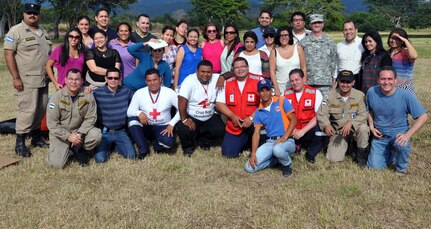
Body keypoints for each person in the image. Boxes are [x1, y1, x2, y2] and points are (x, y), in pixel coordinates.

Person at [4, 3, 51, 157]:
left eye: (35, 13)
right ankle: (20, 143)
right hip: (26, 80)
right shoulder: (16, 31)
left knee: (40, 109)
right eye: (29, 12)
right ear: (24, 14)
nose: (32, 15)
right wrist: (16, 77)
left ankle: (36, 138)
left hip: (43, 80)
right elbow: (8, 54)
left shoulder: (42, 31)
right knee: (27, 111)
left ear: (39, 15)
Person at [367, 66, 428, 175]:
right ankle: (391, 154)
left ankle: (401, 167)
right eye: (383, 79)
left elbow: (423, 117)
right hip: (380, 136)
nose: (386, 82)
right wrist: (371, 127)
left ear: (396, 80)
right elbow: (370, 110)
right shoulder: (371, 92)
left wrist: (407, 135)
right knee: (374, 167)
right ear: (377, 80)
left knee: (401, 144)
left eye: (390, 79)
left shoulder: (405, 95)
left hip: (398, 134)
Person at [46, 69, 102, 168]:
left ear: (81, 81)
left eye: (77, 79)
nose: (74, 82)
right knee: (56, 165)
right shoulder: (56, 98)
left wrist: (79, 134)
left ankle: (81, 149)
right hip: (61, 134)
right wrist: (68, 136)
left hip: (79, 132)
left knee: (96, 135)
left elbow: (91, 118)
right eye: (71, 79)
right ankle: (69, 150)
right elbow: (52, 124)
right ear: (65, 80)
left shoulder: (88, 96)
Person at [245, 79, 297, 177]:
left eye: (267, 90)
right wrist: (253, 153)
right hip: (270, 142)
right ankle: (276, 160)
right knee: (249, 168)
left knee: (277, 149)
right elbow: (256, 134)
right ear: (258, 93)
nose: (265, 93)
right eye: (262, 91)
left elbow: (294, 120)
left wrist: (285, 137)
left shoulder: (282, 101)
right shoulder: (258, 112)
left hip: (287, 140)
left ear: (271, 91)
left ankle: (287, 164)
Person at [317, 70, 369, 166]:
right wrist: (326, 125)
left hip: (355, 130)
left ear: (353, 82)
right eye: (342, 82)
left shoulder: (360, 95)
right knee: (333, 159)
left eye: (348, 82)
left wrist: (351, 123)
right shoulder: (329, 96)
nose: (345, 85)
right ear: (338, 82)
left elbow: (364, 114)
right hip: (339, 132)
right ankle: (348, 146)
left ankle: (360, 154)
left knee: (363, 128)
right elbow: (322, 114)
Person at [127, 68, 180, 159]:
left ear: (160, 79)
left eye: (155, 80)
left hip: (163, 127)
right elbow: (129, 112)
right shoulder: (139, 93)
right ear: (146, 81)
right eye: (149, 81)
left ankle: (156, 144)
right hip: (147, 125)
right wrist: (139, 113)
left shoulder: (169, 92)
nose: (152, 83)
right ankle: (144, 150)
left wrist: (171, 124)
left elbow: (181, 110)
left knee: (169, 144)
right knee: (132, 121)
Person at [177, 61, 225, 156]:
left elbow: (231, 73)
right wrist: (185, 119)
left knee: (221, 130)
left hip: (209, 115)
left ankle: (204, 140)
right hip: (193, 115)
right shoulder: (189, 80)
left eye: (208, 72)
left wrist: (223, 76)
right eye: (202, 71)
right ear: (197, 71)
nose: (205, 74)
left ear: (212, 72)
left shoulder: (216, 78)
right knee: (184, 128)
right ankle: (188, 147)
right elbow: (182, 100)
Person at [216, 57, 260, 158]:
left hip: (255, 123)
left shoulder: (258, 80)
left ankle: (251, 144)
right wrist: (232, 116)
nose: (240, 69)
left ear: (248, 67)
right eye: (237, 67)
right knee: (228, 154)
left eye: (243, 66)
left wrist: (251, 118)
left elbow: (266, 103)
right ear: (233, 70)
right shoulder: (227, 83)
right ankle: (243, 143)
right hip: (235, 125)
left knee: (261, 150)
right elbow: (219, 103)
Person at [92, 68, 135, 163]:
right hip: (104, 132)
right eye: (110, 78)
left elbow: (138, 99)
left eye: (116, 78)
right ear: (106, 78)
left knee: (131, 156)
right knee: (100, 160)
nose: (113, 80)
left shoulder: (126, 91)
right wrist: (85, 89)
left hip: (120, 131)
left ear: (120, 79)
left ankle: (115, 146)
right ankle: (107, 147)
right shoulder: (97, 93)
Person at [283, 69, 325, 164]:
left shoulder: (315, 93)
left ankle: (310, 154)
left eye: (297, 80)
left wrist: (303, 131)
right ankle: (296, 146)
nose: (294, 83)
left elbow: (318, 115)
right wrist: (291, 129)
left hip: (308, 129)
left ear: (303, 79)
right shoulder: (285, 94)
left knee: (321, 127)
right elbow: (281, 116)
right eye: (292, 81)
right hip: (292, 130)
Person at [299, 14, 337, 95]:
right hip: (308, 83)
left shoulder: (330, 42)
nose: (317, 25)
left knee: (326, 106)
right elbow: (300, 63)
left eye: (319, 22)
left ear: (323, 24)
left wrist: (334, 82)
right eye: (314, 23)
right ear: (310, 25)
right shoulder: (303, 43)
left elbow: (334, 63)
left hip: (326, 84)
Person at [270, 25, 307, 95]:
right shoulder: (274, 52)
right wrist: (276, 89)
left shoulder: (298, 48)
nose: (284, 37)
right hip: (281, 88)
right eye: (281, 35)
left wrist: (304, 82)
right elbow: (272, 72)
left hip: (298, 86)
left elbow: (303, 67)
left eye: (286, 35)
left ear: (290, 36)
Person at [387, 28, 418, 95]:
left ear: (402, 41)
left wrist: (405, 40)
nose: (393, 41)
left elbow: (414, 56)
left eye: (397, 39)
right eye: (392, 38)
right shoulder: (386, 53)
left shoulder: (406, 53)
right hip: (389, 86)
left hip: (405, 87)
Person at [336, 21, 364, 89]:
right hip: (341, 79)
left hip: (357, 79)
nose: (348, 32)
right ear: (343, 32)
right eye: (346, 30)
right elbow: (336, 64)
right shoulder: (338, 46)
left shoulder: (363, 43)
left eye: (350, 29)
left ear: (356, 30)